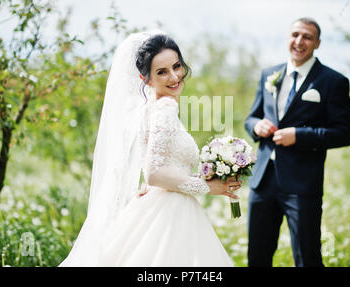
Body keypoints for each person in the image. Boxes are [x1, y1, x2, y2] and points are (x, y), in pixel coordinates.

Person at [59, 31, 240, 266]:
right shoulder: (164, 108)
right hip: (169, 213)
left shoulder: (149, 108)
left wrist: (211, 177)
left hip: (159, 205)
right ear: (146, 79)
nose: (174, 76)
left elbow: (162, 167)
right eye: (161, 72)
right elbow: (154, 174)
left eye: (176, 66)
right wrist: (206, 186)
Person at [244, 17, 350, 267]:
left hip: (302, 184)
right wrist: (256, 126)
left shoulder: (333, 81)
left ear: (317, 43)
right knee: (257, 257)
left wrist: (300, 136)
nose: (299, 41)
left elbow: (344, 133)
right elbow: (251, 117)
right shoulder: (269, 74)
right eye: (295, 34)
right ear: (287, 38)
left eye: (307, 37)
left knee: (307, 257)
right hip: (263, 180)